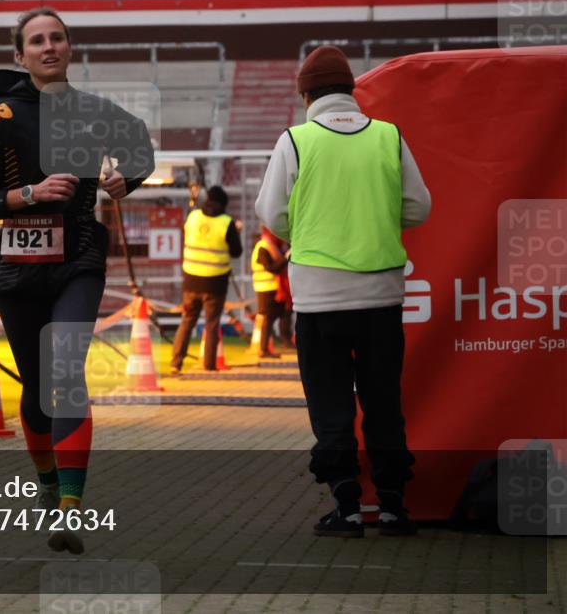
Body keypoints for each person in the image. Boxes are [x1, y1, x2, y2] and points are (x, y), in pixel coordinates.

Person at [0, 7, 153, 554]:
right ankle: (48, 486)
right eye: (37, 41)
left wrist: (128, 176)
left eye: (58, 38)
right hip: (17, 268)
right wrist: (28, 195)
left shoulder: (96, 111)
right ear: (20, 56)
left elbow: (140, 147)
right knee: (38, 386)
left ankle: (71, 508)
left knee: (66, 371)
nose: (49, 47)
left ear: (70, 47)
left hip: (79, 257)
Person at [256, 45, 431, 538]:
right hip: (381, 296)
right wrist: (374, 221)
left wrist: (310, 231)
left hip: (319, 298)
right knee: (383, 401)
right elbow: (419, 207)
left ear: (306, 95)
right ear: (351, 91)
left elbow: (271, 213)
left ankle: (347, 504)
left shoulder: (295, 140)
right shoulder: (388, 136)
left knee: (330, 403)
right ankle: (393, 505)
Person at [170, 186, 243, 373]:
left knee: (187, 320)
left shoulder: (193, 217)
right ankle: (209, 366)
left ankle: (176, 363)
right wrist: (237, 232)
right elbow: (236, 252)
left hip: (191, 280)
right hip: (215, 283)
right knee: (212, 323)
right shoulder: (226, 223)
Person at [251, 227, 287, 359]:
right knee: (268, 318)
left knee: (271, 318)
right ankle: (263, 349)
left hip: (271, 288)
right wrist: (285, 258)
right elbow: (271, 268)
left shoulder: (271, 246)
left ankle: (265, 348)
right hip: (265, 288)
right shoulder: (264, 247)